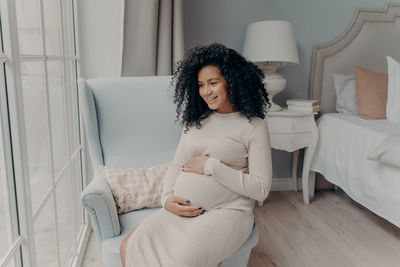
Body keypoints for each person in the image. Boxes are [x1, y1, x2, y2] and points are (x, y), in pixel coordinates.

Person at [120, 43, 272, 267]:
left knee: (180, 262)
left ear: (232, 80)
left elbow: (261, 189)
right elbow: (176, 165)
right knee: (132, 245)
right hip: (182, 211)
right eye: (201, 85)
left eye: (213, 83)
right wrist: (167, 199)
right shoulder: (195, 122)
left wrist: (212, 166)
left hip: (227, 213)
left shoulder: (253, 126)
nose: (206, 92)